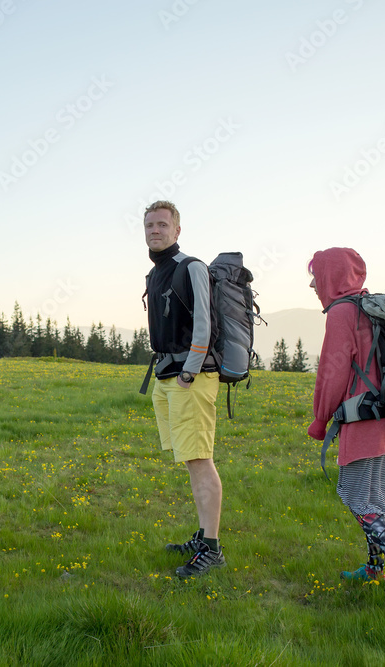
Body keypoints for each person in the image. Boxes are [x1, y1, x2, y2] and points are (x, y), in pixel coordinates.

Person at [306, 247, 385, 613]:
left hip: (364, 423)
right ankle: (375, 569)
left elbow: (332, 373)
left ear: (331, 275)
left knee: (356, 498)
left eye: (317, 275)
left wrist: (319, 419)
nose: (313, 283)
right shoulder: (371, 305)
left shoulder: (341, 313)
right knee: (374, 496)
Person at [142, 200, 224, 578]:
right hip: (166, 375)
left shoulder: (191, 267)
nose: (155, 230)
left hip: (189, 377)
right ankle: (203, 537)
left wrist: (189, 373)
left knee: (200, 459)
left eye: (162, 224)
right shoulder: (155, 273)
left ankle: (212, 548)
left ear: (177, 230)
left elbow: (204, 325)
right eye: (149, 225)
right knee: (190, 459)